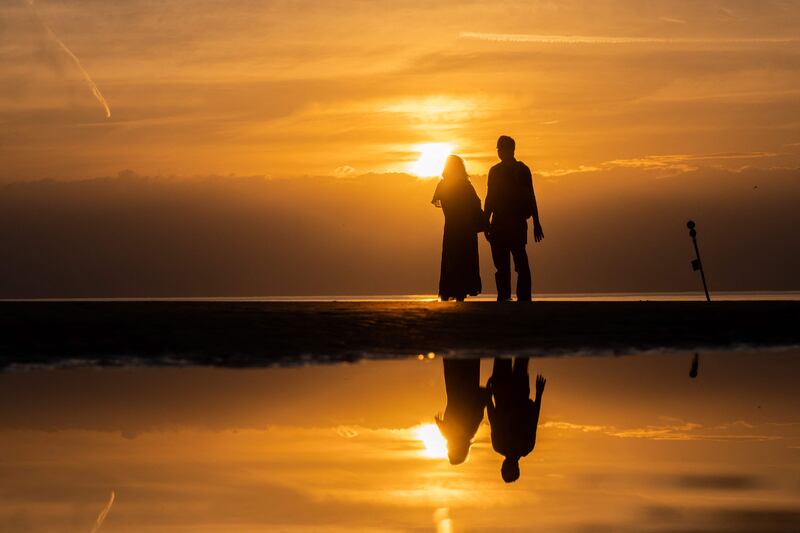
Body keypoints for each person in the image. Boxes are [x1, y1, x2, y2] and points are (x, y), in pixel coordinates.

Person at [484, 136, 544, 301]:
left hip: (513, 223)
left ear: (510, 150)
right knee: (504, 265)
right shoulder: (496, 171)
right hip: (502, 223)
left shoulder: (521, 170)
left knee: (519, 262)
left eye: (500, 149)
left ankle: (522, 297)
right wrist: (485, 222)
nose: (499, 152)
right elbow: (490, 198)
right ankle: (506, 296)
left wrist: (536, 222)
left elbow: (530, 196)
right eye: (498, 149)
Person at [431, 155, 485, 301]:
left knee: (451, 259)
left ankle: (448, 291)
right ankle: (461, 291)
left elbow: (442, 205)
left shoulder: (443, 185)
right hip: (466, 228)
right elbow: (476, 205)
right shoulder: (466, 186)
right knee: (465, 259)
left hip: (451, 227)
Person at [486, 357, 546, 483]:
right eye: (505, 468)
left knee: (519, 357)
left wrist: (539, 394)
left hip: (514, 391)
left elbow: (534, 418)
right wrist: (488, 397)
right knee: (507, 354)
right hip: (508, 392)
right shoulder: (501, 446)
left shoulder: (526, 447)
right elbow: (493, 418)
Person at [435, 358, 490, 465]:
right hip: (454, 384)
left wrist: (487, 395)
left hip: (468, 385)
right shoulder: (446, 433)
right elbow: (437, 420)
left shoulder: (469, 431)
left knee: (469, 353)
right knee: (453, 352)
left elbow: (478, 410)